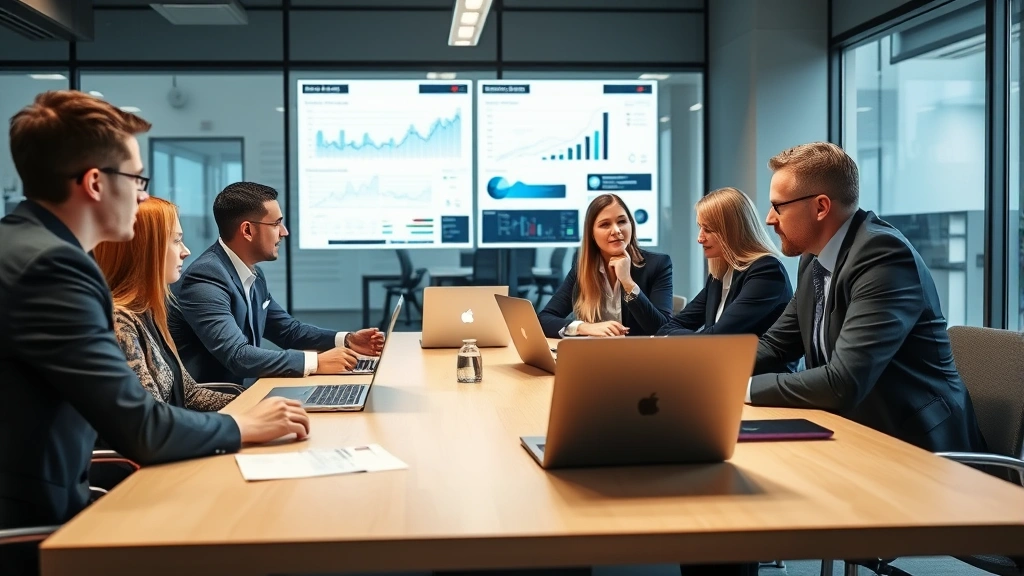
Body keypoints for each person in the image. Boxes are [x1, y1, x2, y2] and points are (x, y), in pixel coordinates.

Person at [0, 91, 309, 575]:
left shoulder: (19, 246)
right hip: (42, 530)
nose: (143, 196)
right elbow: (138, 425)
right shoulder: (54, 268)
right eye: (137, 179)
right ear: (96, 183)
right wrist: (245, 426)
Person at [749, 141, 986, 453]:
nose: (769, 218)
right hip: (853, 431)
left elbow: (842, 381)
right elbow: (775, 346)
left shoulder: (884, 256)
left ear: (821, 207)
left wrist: (741, 388)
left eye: (778, 206)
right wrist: (705, 373)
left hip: (918, 448)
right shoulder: (813, 259)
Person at [169, 182, 385, 387]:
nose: (284, 232)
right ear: (247, 231)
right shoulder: (205, 278)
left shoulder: (253, 274)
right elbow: (237, 355)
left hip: (245, 392)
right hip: (214, 405)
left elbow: (288, 331)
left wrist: (347, 340)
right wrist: (316, 363)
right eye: (276, 223)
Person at [94, 197, 234, 411]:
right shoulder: (118, 322)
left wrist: (256, 406)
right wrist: (241, 426)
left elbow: (189, 393)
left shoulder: (146, 311)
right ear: (145, 249)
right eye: (176, 240)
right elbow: (150, 420)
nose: (185, 251)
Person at [658, 187, 792, 337]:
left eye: (708, 229)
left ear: (732, 230)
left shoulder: (767, 271)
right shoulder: (720, 275)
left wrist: (675, 336)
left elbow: (719, 338)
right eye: (700, 227)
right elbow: (669, 327)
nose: (700, 238)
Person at [538, 193, 673, 338]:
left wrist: (628, 283)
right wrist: (584, 327)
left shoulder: (657, 264)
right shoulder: (583, 267)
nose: (616, 230)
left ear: (631, 225)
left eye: (622, 221)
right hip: (595, 355)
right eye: (605, 224)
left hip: (638, 357)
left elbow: (662, 329)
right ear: (591, 234)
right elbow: (544, 319)